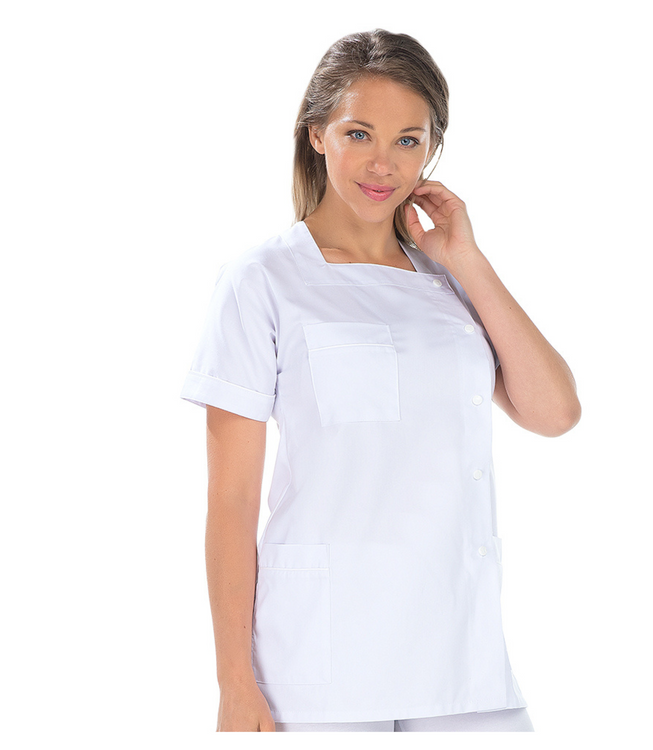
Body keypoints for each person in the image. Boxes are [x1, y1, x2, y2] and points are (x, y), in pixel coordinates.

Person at [180, 28, 581, 733]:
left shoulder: (447, 280)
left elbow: (555, 413)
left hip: (462, 657)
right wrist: (234, 681)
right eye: (359, 133)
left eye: (408, 140)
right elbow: (232, 501)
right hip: (321, 666)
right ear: (317, 135)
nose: (383, 163)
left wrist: (467, 260)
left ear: (431, 151)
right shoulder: (262, 280)